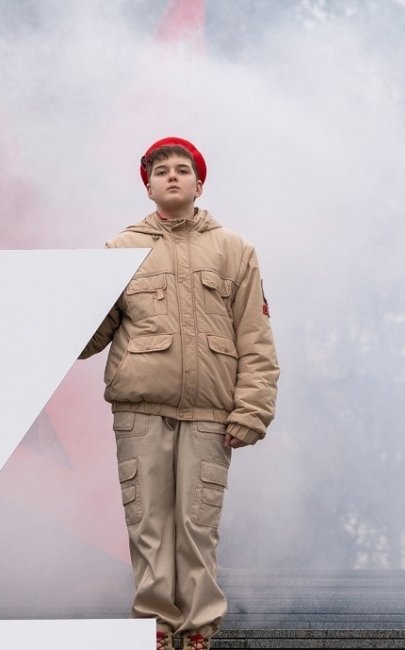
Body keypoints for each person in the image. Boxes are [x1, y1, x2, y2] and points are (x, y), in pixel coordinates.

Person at [81, 137, 279, 650]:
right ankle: (156, 627)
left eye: (183, 169)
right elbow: (91, 336)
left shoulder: (235, 250)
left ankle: (197, 629)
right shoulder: (121, 250)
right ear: (148, 185)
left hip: (210, 412)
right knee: (148, 521)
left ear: (199, 183)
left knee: (197, 523)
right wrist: (55, 310)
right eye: (161, 170)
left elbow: (254, 337)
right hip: (140, 408)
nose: (172, 176)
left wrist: (252, 409)